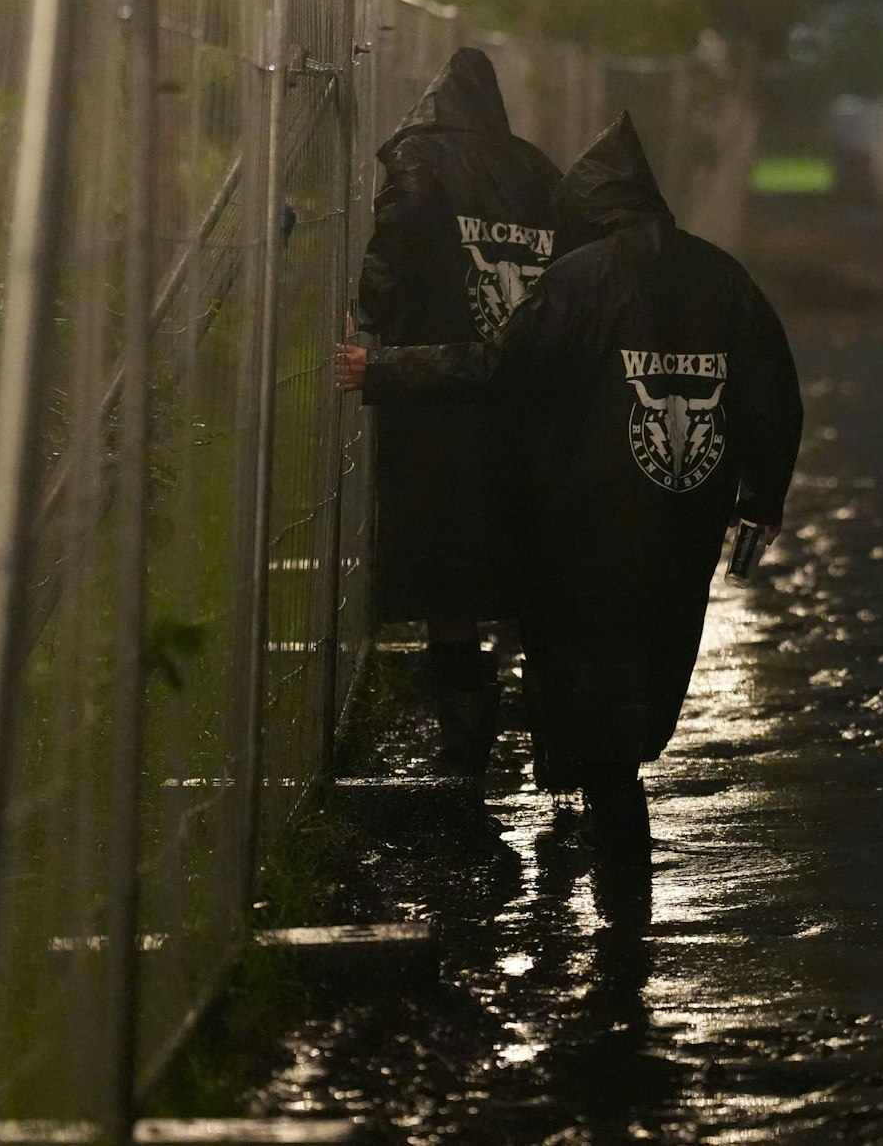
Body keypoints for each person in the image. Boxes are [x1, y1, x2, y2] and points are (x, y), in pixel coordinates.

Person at [337, 112, 804, 856]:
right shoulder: (725, 278)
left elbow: (498, 367)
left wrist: (387, 368)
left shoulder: (577, 282)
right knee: (660, 645)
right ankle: (620, 778)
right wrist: (760, 502)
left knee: (582, 647)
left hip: (584, 513)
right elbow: (774, 396)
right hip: (687, 515)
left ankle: (607, 795)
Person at [355, 46, 560, 774]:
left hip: (436, 397)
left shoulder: (419, 161)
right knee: (531, 559)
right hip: (528, 401)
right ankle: (558, 743)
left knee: (449, 572)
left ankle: (465, 747)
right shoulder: (537, 172)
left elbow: (390, 263)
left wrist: (377, 313)